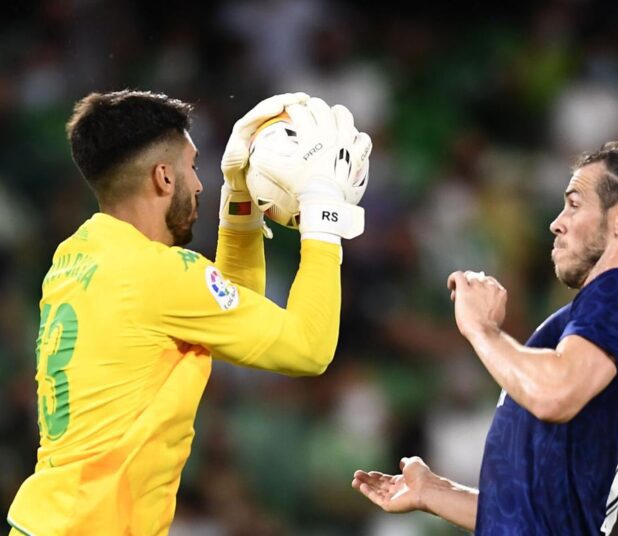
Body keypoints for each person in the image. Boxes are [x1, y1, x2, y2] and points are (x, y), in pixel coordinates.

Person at [7, 89, 371, 536]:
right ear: (163, 177)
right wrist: (321, 215)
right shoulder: (161, 275)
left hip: (46, 519)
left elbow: (227, 311)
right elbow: (308, 349)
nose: (200, 184)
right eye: (193, 168)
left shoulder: (75, 255)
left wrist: (241, 197)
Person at [353, 125, 618, 534]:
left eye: (574, 204)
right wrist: (435, 492)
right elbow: (544, 516)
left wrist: (481, 329)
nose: (557, 223)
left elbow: (555, 394)